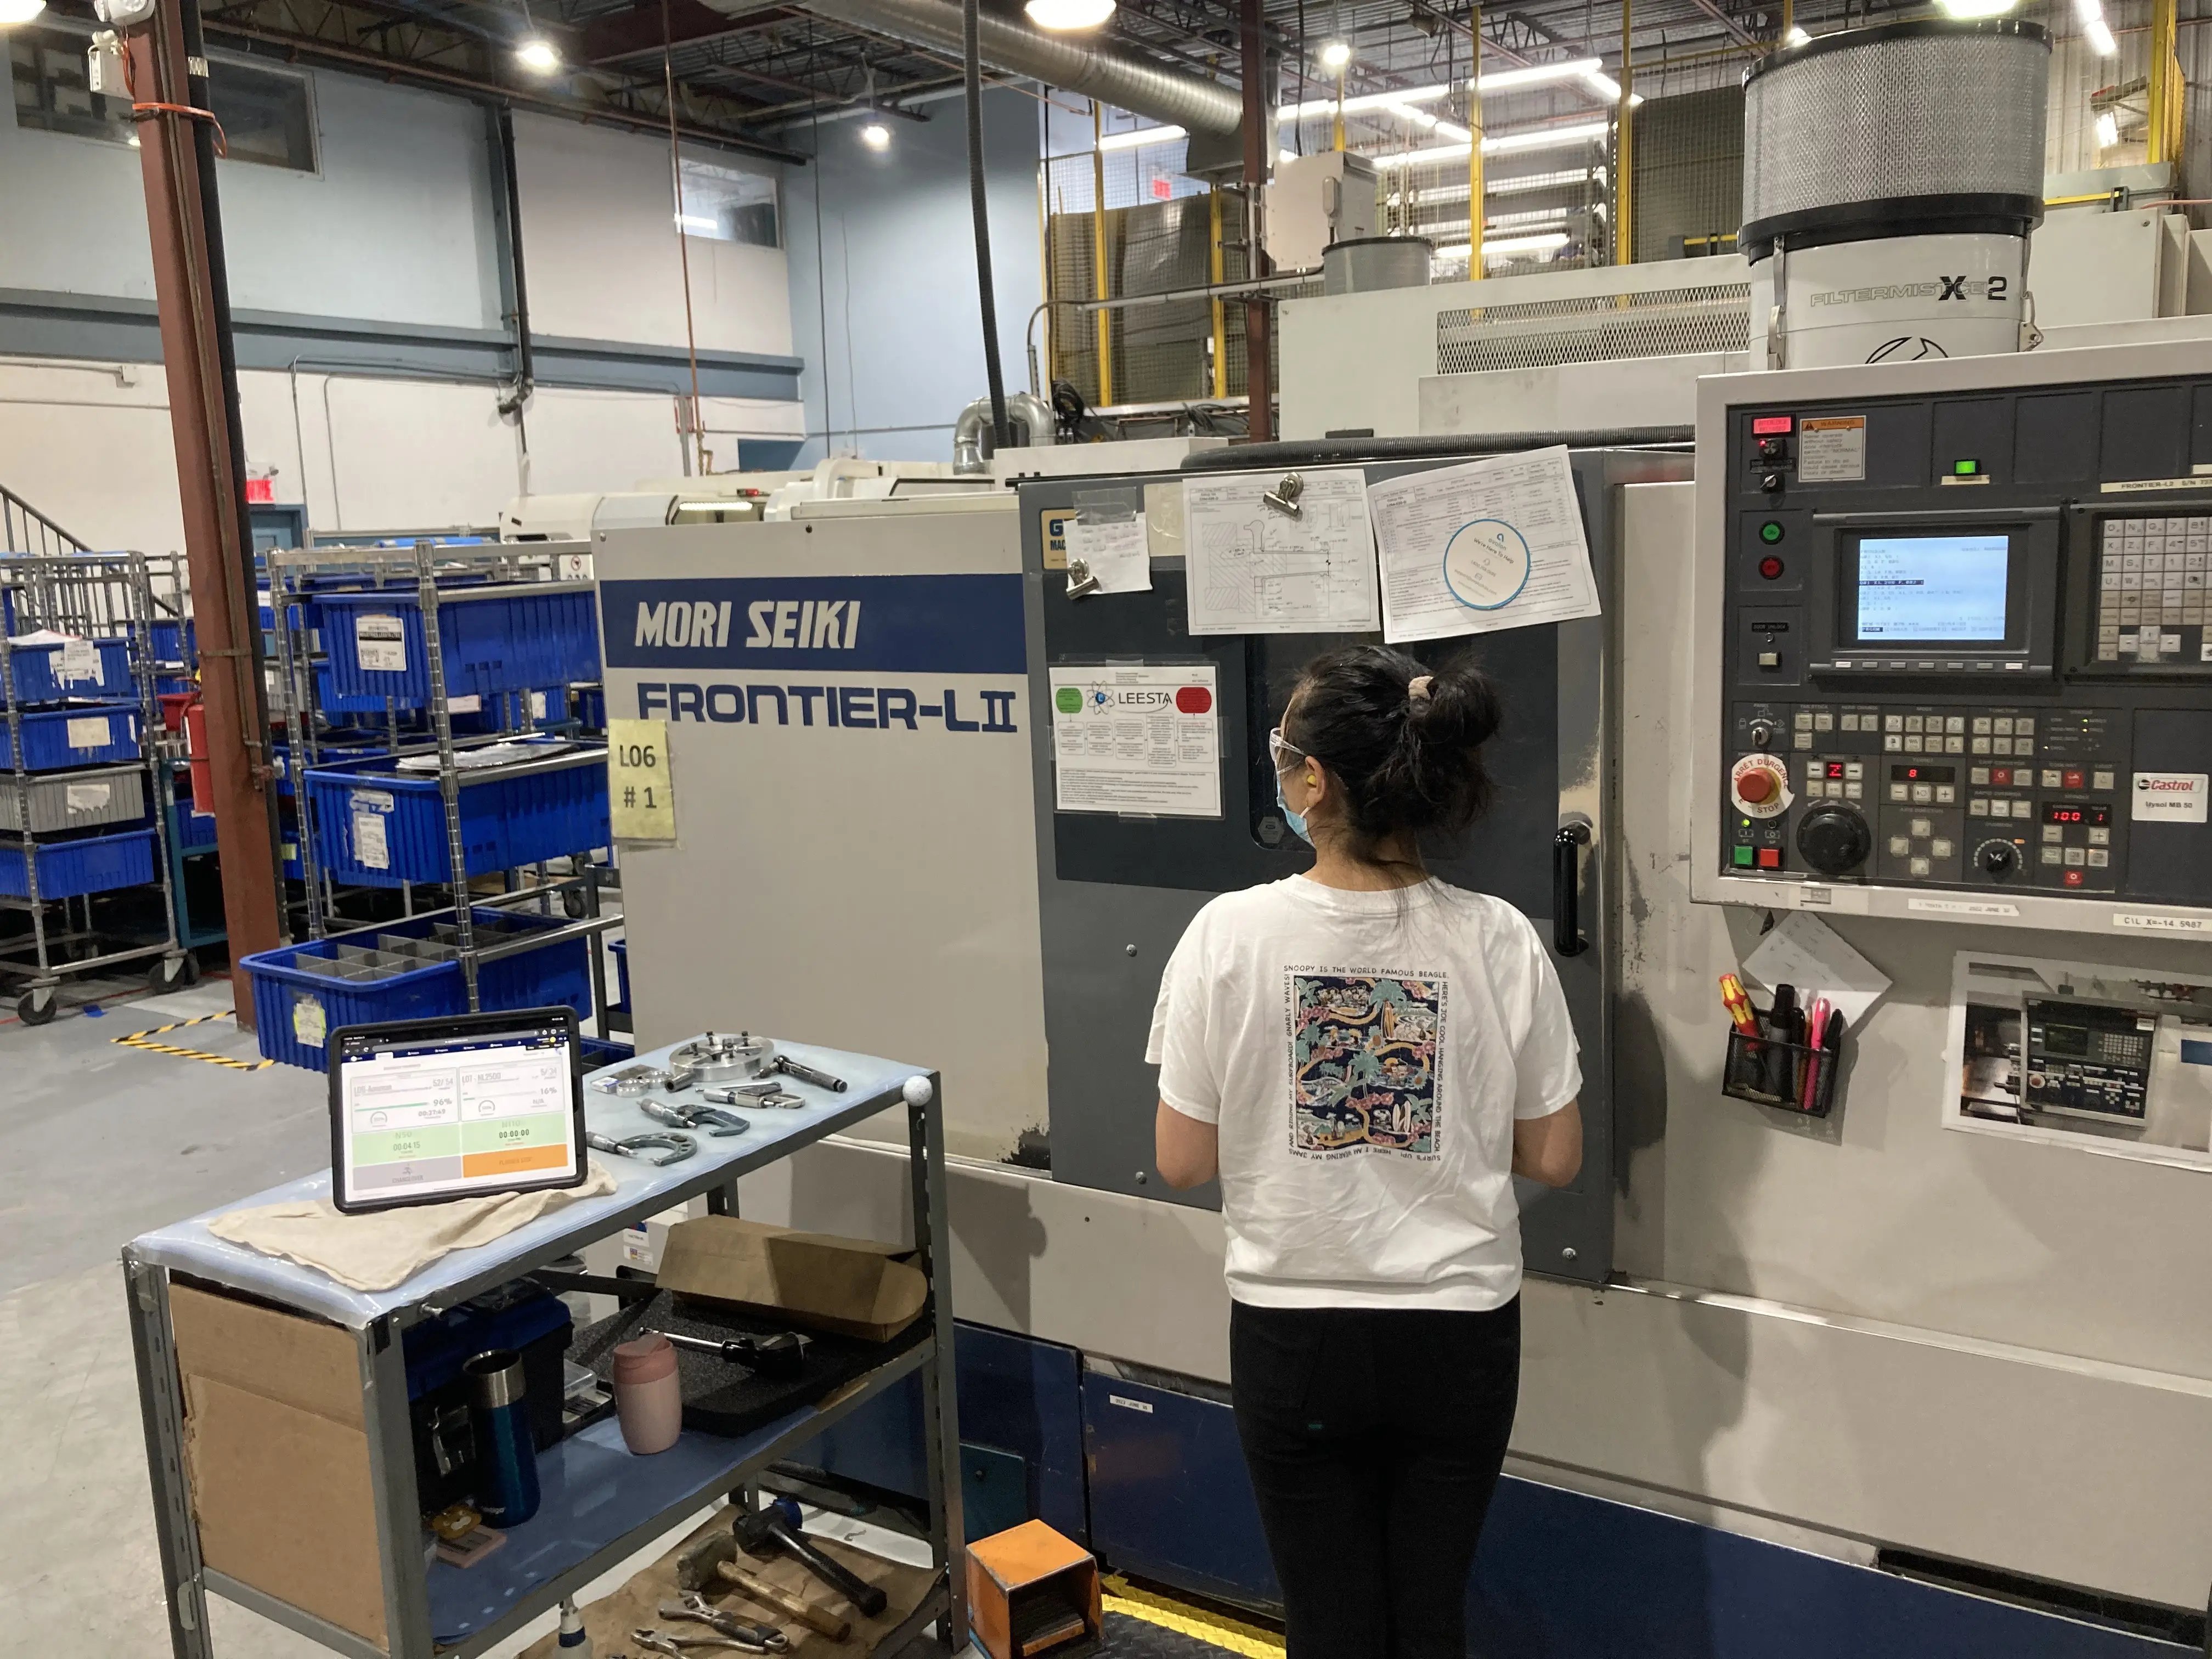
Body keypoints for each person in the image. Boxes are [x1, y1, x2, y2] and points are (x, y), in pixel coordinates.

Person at [1146, 642, 1584, 1659]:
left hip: (1297, 1331)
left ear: (1314, 780)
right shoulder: (1500, 938)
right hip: (1459, 1332)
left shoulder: (1229, 935)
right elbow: (1554, 1157)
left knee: (1331, 1622)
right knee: (1426, 1614)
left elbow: (1181, 1160)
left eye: (1281, 750)